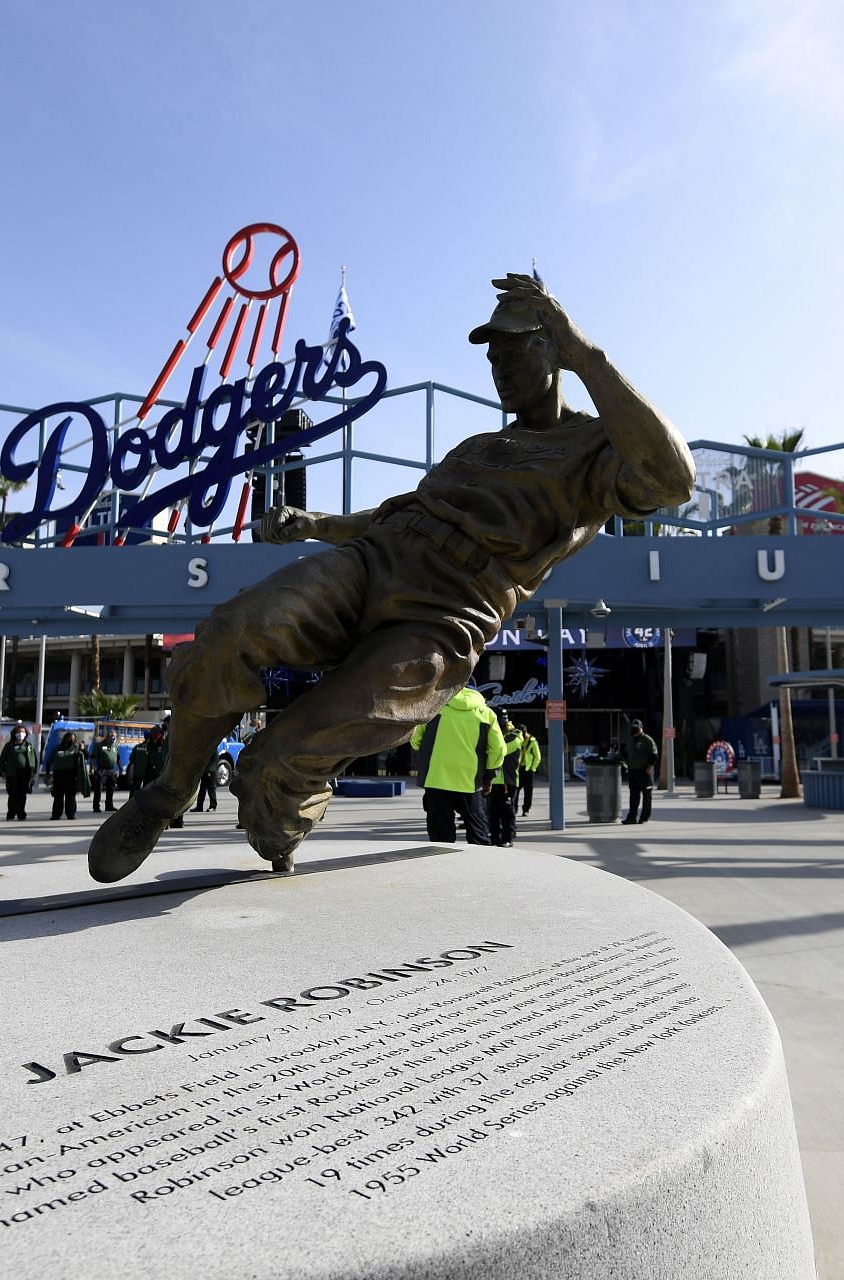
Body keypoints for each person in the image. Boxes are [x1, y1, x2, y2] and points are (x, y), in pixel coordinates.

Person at [91, 273, 692, 881]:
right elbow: (394, 513)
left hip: (441, 615)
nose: (499, 366)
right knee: (232, 629)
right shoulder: (476, 447)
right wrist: (314, 523)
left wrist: (590, 357)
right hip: (373, 563)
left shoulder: (595, 450)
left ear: (554, 350)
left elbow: (674, 479)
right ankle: (167, 794)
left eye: (513, 350)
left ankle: (283, 810)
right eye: (492, 355)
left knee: (275, 765)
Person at [410, 684, 504, 845]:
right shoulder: (486, 714)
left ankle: (444, 866)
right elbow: (499, 750)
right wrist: (489, 776)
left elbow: (415, 739)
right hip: (470, 782)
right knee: (478, 833)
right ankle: (478, 867)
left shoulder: (434, 710)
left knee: (440, 836)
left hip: (436, 779)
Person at [487, 711, 523, 847]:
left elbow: (500, 750)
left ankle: (507, 838)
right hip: (492, 780)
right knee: (492, 812)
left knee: (507, 812)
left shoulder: (514, 736)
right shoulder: (493, 734)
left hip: (507, 781)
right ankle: (494, 837)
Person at [622, 718, 659, 824]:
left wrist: (650, 767)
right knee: (633, 796)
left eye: (636, 728)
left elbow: (654, 755)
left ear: (641, 728)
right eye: (632, 728)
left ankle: (644, 817)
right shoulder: (630, 740)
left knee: (647, 796)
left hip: (645, 772)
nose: (634, 730)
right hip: (633, 772)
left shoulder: (647, 740)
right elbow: (625, 753)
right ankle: (631, 817)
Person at [48, 731, 90, 820]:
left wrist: (83, 749)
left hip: (71, 774)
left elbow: (86, 757)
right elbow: (49, 761)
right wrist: (48, 774)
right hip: (58, 774)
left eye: (72, 738)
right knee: (58, 796)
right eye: (69, 738)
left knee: (70, 796)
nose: (70, 740)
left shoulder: (76, 749)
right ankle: (56, 814)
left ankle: (70, 814)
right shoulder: (58, 748)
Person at [0, 726, 38, 820]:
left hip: (25, 772)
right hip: (12, 772)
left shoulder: (28, 746)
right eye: (19, 732)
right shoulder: (9, 745)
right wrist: (3, 771)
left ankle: (21, 813)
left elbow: (34, 759)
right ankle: (11, 813)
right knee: (12, 793)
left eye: (23, 732)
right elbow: (2, 760)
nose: (21, 734)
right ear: (15, 734)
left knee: (22, 794)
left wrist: (33, 771)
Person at [90, 730, 119, 813]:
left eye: (114, 737)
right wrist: (91, 769)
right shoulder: (99, 745)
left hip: (111, 770)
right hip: (101, 770)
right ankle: (96, 806)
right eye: (111, 737)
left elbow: (118, 757)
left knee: (111, 788)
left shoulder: (115, 746)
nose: (113, 739)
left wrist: (120, 768)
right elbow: (93, 757)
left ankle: (109, 805)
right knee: (98, 788)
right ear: (107, 737)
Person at [516, 726, 542, 817]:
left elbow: (537, 756)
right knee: (515, 790)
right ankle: (514, 808)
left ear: (525, 732)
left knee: (528, 791)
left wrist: (533, 768)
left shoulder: (532, 741)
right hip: (517, 769)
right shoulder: (516, 738)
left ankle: (526, 809)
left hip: (528, 769)